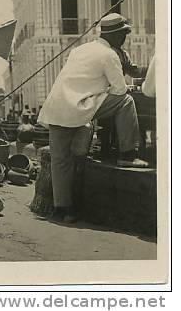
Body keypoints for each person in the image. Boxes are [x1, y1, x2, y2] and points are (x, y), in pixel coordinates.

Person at [38, 13, 148, 223]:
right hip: (79, 107)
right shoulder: (110, 54)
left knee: (60, 161)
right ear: (116, 36)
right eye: (124, 34)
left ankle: (63, 209)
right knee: (126, 102)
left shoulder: (80, 49)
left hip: (56, 107)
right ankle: (128, 154)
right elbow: (119, 90)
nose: (125, 38)